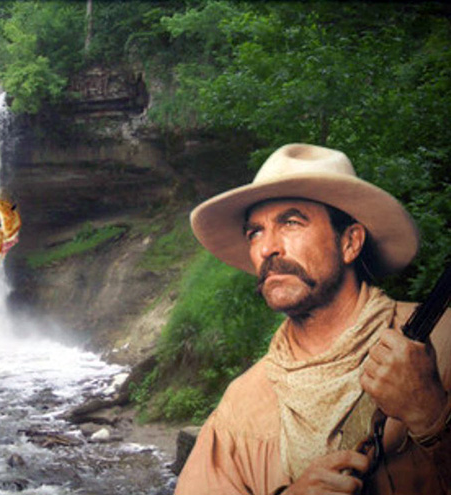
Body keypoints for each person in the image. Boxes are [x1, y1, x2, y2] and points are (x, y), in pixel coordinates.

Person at [175, 143, 451, 495]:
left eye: (290, 222)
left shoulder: (442, 342)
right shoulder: (241, 406)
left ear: (350, 243)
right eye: (254, 232)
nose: (266, 248)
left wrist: (432, 417)